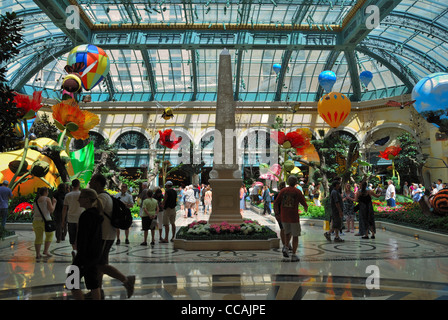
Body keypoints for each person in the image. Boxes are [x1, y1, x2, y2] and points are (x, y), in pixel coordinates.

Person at [89, 174, 135, 299]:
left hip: (104, 235)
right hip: (105, 235)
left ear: (97, 184)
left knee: (100, 264)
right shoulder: (104, 196)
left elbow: (92, 213)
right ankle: (98, 289)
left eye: (92, 181)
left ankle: (126, 280)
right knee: (101, 263)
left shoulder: (102, 198)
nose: (89, 183)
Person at [70, 188, 104, 300]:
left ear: (87, 200)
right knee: (92, 282)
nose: (78, 199)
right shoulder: (96, 214)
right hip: (94, 254)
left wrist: (79, 254)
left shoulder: (86, 215)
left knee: (71, 281)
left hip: (85, 255)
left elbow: (83, 238)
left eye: (81, 197)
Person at [274, 175, 308, 262]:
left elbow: (276, 202)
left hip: (284, 216)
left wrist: (277, 213)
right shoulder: (297, 191)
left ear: (288, 182)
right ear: (296, 182)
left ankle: (285, 247)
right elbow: (303, 202)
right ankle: (293, 254)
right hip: (294, 217)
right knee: (295, 235)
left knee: (287, 233)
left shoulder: (283, 191)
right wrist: (305, 207)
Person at [33, 187, 57, 259]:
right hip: (46, 220)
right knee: (50, 235)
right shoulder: (47, 199)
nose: (48, 193)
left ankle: (37, 254)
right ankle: (46, 251)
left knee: (38, 237)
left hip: (36, 220)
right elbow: (51, 210)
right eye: (47, 191)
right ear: (45, 192)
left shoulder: (35, 200)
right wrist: (54, 203)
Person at [63, 179, 83, 257]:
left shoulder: (68, 195)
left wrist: (63, 220)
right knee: (80, 236)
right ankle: (78, 252)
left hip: (71, 218)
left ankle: (74, 250)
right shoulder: (81, 194)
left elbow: (64, 209)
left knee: (72, 236)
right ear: (78, 185)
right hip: (80, 218)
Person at [273, 181, 288, 251]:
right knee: (285, 229)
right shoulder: (280, 195)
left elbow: (275, 205)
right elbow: (275, 205)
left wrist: (276, 214)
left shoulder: (279, 195)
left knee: (283, 229)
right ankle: (286, 244)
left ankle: (285, 244)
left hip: (281, 214)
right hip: (282, 214)